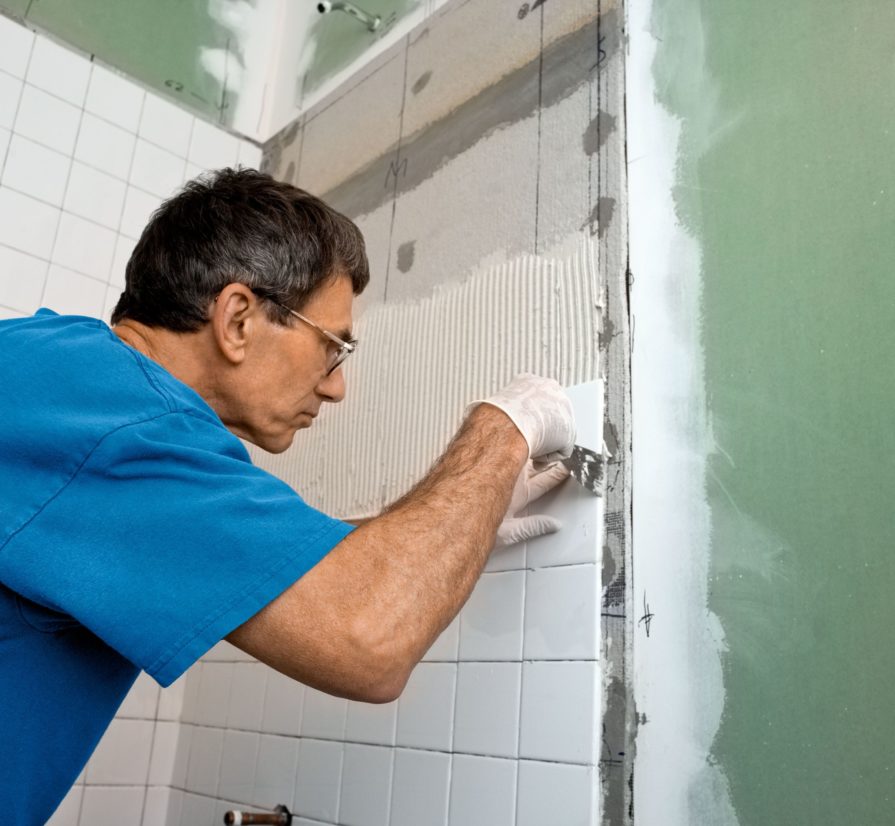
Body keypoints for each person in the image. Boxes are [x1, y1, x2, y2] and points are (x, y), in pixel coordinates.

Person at [0, 168, 575, 823]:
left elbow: (242, 559)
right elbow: (367, 646)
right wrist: (503, 428)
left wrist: (450, 530)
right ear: (238, 319)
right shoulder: (121, 426)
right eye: (332, 347)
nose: (336, 389)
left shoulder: (59, 376)